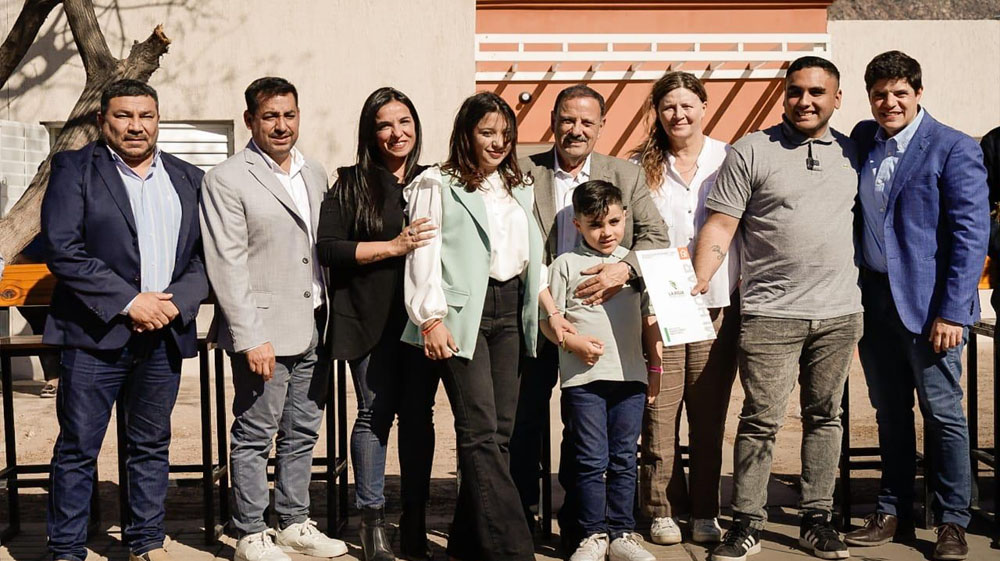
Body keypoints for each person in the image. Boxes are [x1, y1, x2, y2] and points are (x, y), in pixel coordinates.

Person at [692, 56, 863, 561]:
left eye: (816, 92)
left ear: (837, 98)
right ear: (783, 95)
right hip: (770, 314)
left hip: (839, 313)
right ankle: (746, 522)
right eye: (795, 91)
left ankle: (817, 519)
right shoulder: (751, 150)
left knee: (825, 416)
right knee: (760, 420)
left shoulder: (854, 153)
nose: (804, 101)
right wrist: (699, 280)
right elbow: (721, 225)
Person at [41, 79, 208, 561]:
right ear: (102, 120)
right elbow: (63, 249)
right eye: (123, 115)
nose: (136, 126)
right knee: (78, 447)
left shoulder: (188, 177)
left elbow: (205, 257)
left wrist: (174, 303)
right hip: (95, 335)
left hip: (164, 334)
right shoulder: (74, 169)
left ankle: (145, 542)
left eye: (146, 116)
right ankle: (66, 549)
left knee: (150, 444)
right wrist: (130, 302)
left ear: (158, 120)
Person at [403, 91, 574, 561]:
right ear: (466, 134)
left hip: (512, 310)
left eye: (505, 134)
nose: (498, 143)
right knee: (478, 431)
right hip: (462, 316)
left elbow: (531, 260)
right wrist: (430, 318)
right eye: (487, 133)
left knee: (500, 433)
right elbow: (423, 256)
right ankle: (512, 550)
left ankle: (467, 543)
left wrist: (550, 313)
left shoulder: (516, 186)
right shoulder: (436, 183)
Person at [844, 51, 989, 561]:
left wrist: (953, 311)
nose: (890, 102)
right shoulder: (865, 139)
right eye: (880, 94)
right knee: (889, 412)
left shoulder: (953, 146)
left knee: (943, 414)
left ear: (919, 93)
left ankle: (952, 520)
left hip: (932, 309)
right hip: (874, 300)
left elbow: (971, 235)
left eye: (900, 93)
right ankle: (892, 510)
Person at [512, 84, 668, 547]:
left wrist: (624, 269)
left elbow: (656, 237)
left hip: (604, 328)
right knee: (523, 421)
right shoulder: (522, 170)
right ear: (553, 122)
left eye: (586, 121)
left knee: (587, 432)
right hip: (536, 316)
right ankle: (521, 518)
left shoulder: (625, 175)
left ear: (601, 126)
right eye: (567, 119)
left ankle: (583, 527)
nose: (576, 129)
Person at [200, 77, 347, 561]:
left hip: (315, 324)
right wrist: (249, 336)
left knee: (303, 431)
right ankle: (250, 532)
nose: (281, 125)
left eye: (289, 115)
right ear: (250, 120)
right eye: (270, 116)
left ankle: (293, 522)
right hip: (263, 331)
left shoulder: (314, 172)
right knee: (255, 434)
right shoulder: (226, 178)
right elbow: (227, 262)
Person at [316, 86, 438, 561]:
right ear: (370, 133)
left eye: (404, 122)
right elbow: (329, 249)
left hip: (421, 320)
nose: (396, 132)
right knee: (374, 415)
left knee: (419, 416)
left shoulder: (434, 181)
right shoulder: (349, 184)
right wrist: (393, 246)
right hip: (368, 319)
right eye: (385, 125)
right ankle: (372, 524)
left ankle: (415, 521)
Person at [628, 71, 740, 546]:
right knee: (659, 412)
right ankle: (661, 509)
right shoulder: (638, 166)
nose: (678, 114)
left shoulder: (731, 158)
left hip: (717, 306)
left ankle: (706, 510)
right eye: (668, 106)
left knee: (709, 415)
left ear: (704, 107)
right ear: (657, 112)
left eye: (687, 105)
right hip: (660, 307)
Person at [546, 179, 661, 561]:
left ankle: (621, 533)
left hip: (630, 379)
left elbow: (650, 320)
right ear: (577, 224)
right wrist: (570, 341)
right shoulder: (565, 265)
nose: (606, 232)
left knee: (625, 458)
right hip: (584, 382)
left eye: (613, 222)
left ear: (625, 217)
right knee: (590, 459)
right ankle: (592, 535)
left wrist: (655, 367)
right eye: (595, 225)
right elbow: (548, 320)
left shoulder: (635, 266)